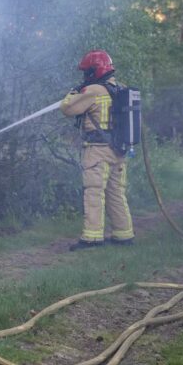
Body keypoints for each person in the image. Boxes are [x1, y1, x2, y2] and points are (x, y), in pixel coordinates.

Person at [60, 50, 135, 251]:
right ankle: (123, 234)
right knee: (116, 193)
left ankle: (92, 238)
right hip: (119, 150)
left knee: (94, 193)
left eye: (86, 72)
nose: (84, 76)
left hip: (97, 151)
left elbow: (68, 109)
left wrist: (74, 91)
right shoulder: (120, 88)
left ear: (94, 70)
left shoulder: (93, 89)